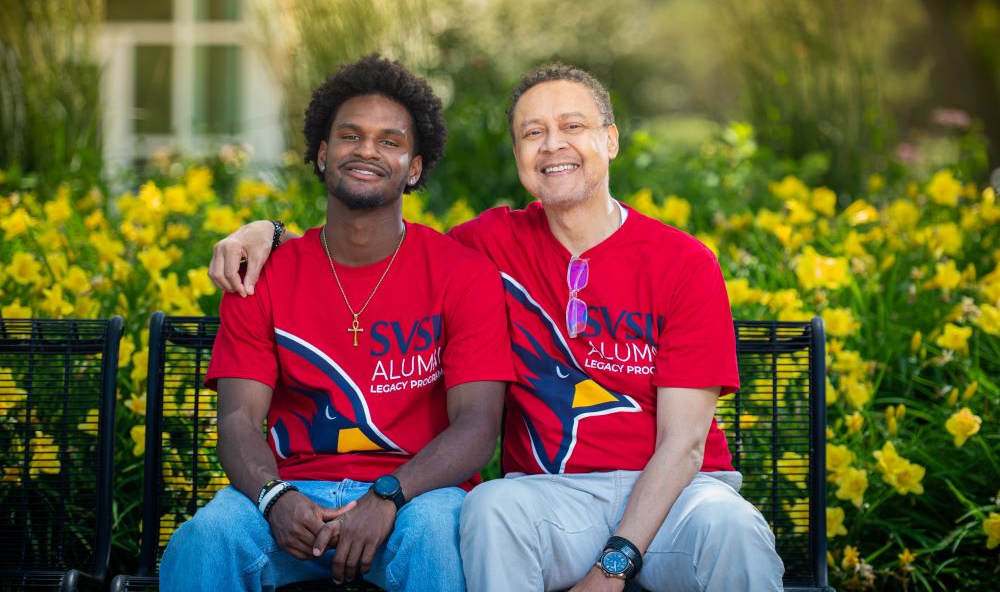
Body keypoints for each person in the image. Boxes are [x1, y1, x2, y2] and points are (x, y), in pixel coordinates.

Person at [210, 64, 784, 591]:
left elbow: (682, 448)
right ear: (518, 156)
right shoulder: (487, 246)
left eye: (573, 125)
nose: (553, 143)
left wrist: (614, 566)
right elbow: (378, 236)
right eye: (533, 133)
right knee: (489, 513)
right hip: (553, 498)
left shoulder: (682, 262)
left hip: (677, 495)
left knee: (733, 528)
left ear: (610, 140)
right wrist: (269, 234)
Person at [163, 54, 514, 592]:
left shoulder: (462, 274)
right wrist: (274, 496)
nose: (367, 150)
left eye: (390, 141)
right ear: (323, 155)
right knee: (207, 538)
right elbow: (237, 418)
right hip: (289, 491)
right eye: (350, 136)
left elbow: (476, 427)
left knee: (439, 539)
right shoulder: (259, 272)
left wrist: (388, 494)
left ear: (415, 168)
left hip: (415, 498)